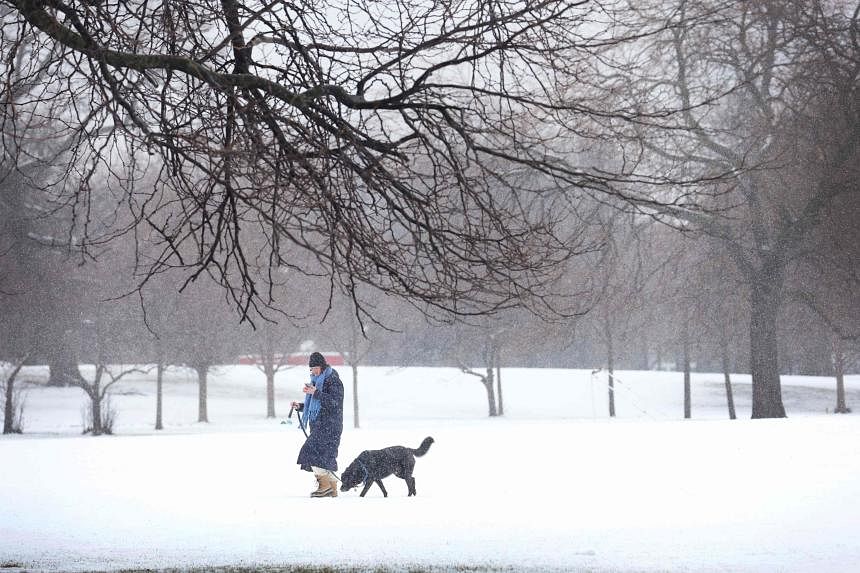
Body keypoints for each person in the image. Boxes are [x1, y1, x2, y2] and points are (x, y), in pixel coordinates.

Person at [292, 351, 344, 498]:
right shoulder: (317, 381)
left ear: (322, 366)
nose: (313, 371)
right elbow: (317, 405)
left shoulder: (333, 381)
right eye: (311, 369)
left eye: (315, 368)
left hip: (330, 426)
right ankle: (332, 487)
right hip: (320, 425)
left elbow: (334, 403)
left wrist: (316, 393)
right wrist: (301, 407)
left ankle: (324, 486)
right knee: (325, 457)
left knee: (311, 452)